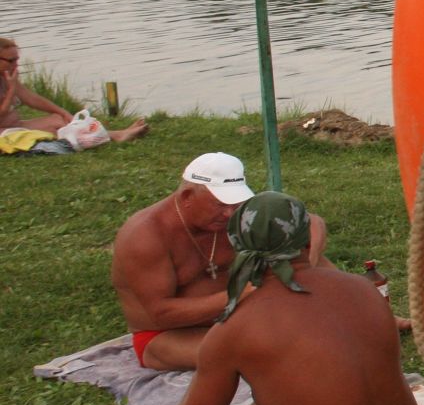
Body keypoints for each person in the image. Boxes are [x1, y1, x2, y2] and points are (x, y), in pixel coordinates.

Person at [77, 192, 424, 405]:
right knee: (287, 391)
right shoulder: (363, 290)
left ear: (238, 252)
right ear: (307, 243)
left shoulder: (237, 327)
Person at [112, 152, 330, 372]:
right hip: (167, 335)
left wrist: (307, 262)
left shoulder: (234, 212)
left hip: (241, 316)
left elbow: (312, 223)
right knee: (270, 354)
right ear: (187, 196)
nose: (229, 213)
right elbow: (161, 314)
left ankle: (347, 302)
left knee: (300, 254)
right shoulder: (145, 236)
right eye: (220, 204)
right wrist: (242, 293)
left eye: (235, 203)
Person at [0, 37, 148, 141]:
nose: (16, 65)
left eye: (17, 60)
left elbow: (31, 99)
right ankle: (117, 135)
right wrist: (12, 89)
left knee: (58, 119)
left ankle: (116, 134)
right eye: (11, 61)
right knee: (56, 129)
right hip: (3, 133)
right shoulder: (10, 81)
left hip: (15, 126)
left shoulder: (7, 76)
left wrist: (61, 111)